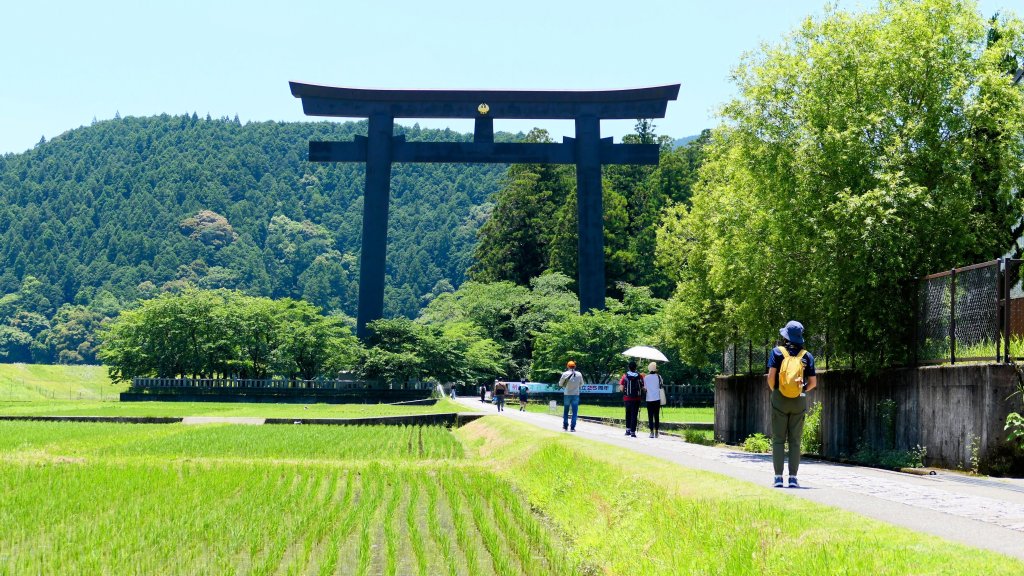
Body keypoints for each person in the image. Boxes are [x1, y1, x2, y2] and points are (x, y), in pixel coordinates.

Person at [766, 320, 817, 489]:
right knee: (795, 441)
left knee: (779, 440)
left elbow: (771, 377)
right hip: (798, 399)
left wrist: (777, 391)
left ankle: (779, 478)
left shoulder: (777, 352)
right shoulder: (806, 356)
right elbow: (813, 383)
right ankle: (793, 478)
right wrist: (800, 390)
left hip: (780, 398)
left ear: (786, 336)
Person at [619, 361, 644, 437]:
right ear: (635, 367)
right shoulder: (640, 376)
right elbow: (643, 387)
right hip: (636, 399)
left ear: (628, 367)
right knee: (634, 415)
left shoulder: (625, 376)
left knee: (628, 414)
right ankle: (633, 432)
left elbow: (621, 388)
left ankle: (627, 430)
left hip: (627, 398)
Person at [558, 360, 583, 432]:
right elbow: (582, 384)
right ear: (575, 366)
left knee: (566, 410)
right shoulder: (579, 374)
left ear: (567, 366)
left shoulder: (565, 374)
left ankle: (565, 427)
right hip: (576, 394)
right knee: (574, 412)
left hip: (567, 394)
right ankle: (572, 428)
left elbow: (560, 384)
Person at [644, 362, 663, 438]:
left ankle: (651, 432)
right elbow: (661, 385)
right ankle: (657, 432)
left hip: (649, 399)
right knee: (656, 415)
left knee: (650, 416)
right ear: (655, 369)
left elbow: (645, 388)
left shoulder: (646, 377)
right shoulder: (659, 377)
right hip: (657, 398)